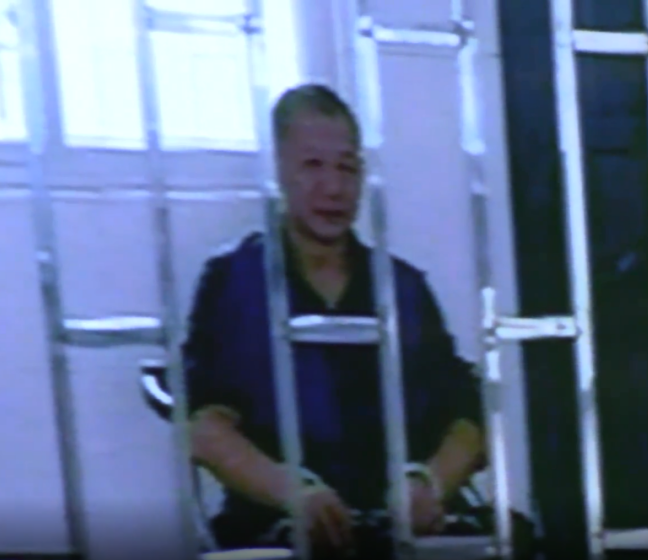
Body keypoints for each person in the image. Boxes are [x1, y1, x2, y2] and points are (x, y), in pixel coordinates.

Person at [183, 84, 488, 558]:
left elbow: (469, 417)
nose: (334, 187)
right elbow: (204, 427)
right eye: (313, 165)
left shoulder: (401, 286)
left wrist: (430, 483)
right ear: (279, 169)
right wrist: (295, 493)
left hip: (405, 526)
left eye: (347, 168)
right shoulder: (233, 282)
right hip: (277, 523)